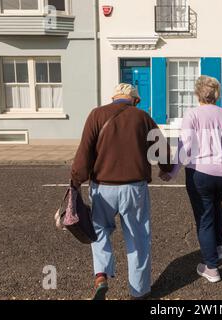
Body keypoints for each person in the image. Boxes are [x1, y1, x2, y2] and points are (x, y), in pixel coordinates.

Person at [71, 83, 173, 300]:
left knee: (98, 231)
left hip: (102, 187)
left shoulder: (96, 115)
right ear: (134, 100)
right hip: (134, 188)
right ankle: (139, 291)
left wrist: (76, 180)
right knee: (138, 238)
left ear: (114, 98)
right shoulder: (142, 117)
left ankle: (101, 276)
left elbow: (84, 151)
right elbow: (161, 148)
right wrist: (165, 169)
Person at [159, 75, 222, 283]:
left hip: (200, 173)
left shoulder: (192, 115)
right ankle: (218, 248)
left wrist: (172, 172)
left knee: (204, 218)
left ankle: (211, 268)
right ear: (216, 95)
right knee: (215, 206)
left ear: (197, 93)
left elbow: (185, 146)